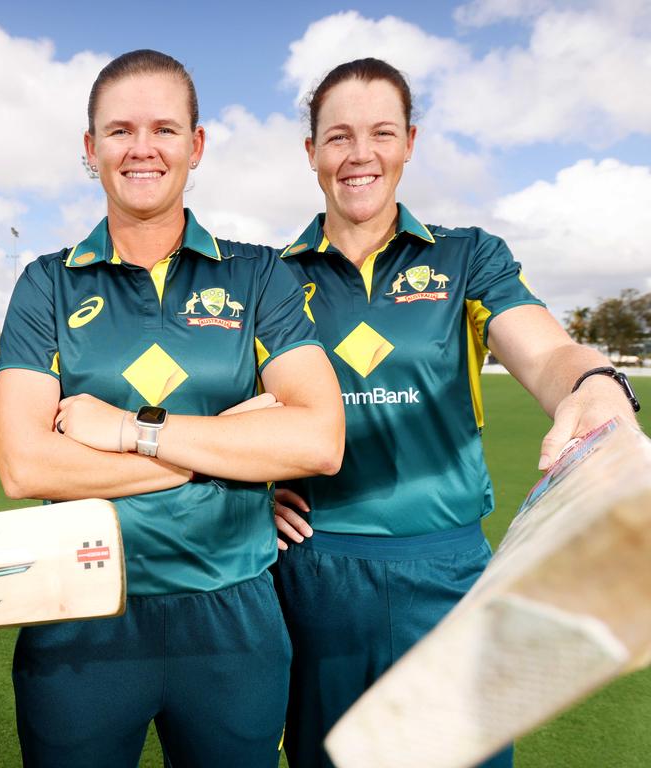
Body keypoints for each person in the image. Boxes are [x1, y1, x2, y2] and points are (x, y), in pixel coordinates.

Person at [272, 57, 642, 768]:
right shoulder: (270, 276)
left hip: (444, 571)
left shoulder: (469, 256)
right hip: (315, 574)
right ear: (312, 150)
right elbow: (230, 414)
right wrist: (246, 497)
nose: (361, 155)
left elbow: (542, 352)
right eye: (339, 135)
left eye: (381, 132)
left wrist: (593, 385)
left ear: (409, 142)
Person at [0, 49, 344, 768]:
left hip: (233, 616)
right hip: (78, 615)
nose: (142, 148)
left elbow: (318, 439)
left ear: (197, 145)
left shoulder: (259, 274)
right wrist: (226, 451)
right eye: (119, 131)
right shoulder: (47, 284)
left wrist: (129, 432)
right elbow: (25, 465)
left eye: (164, 129)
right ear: (91, 151)